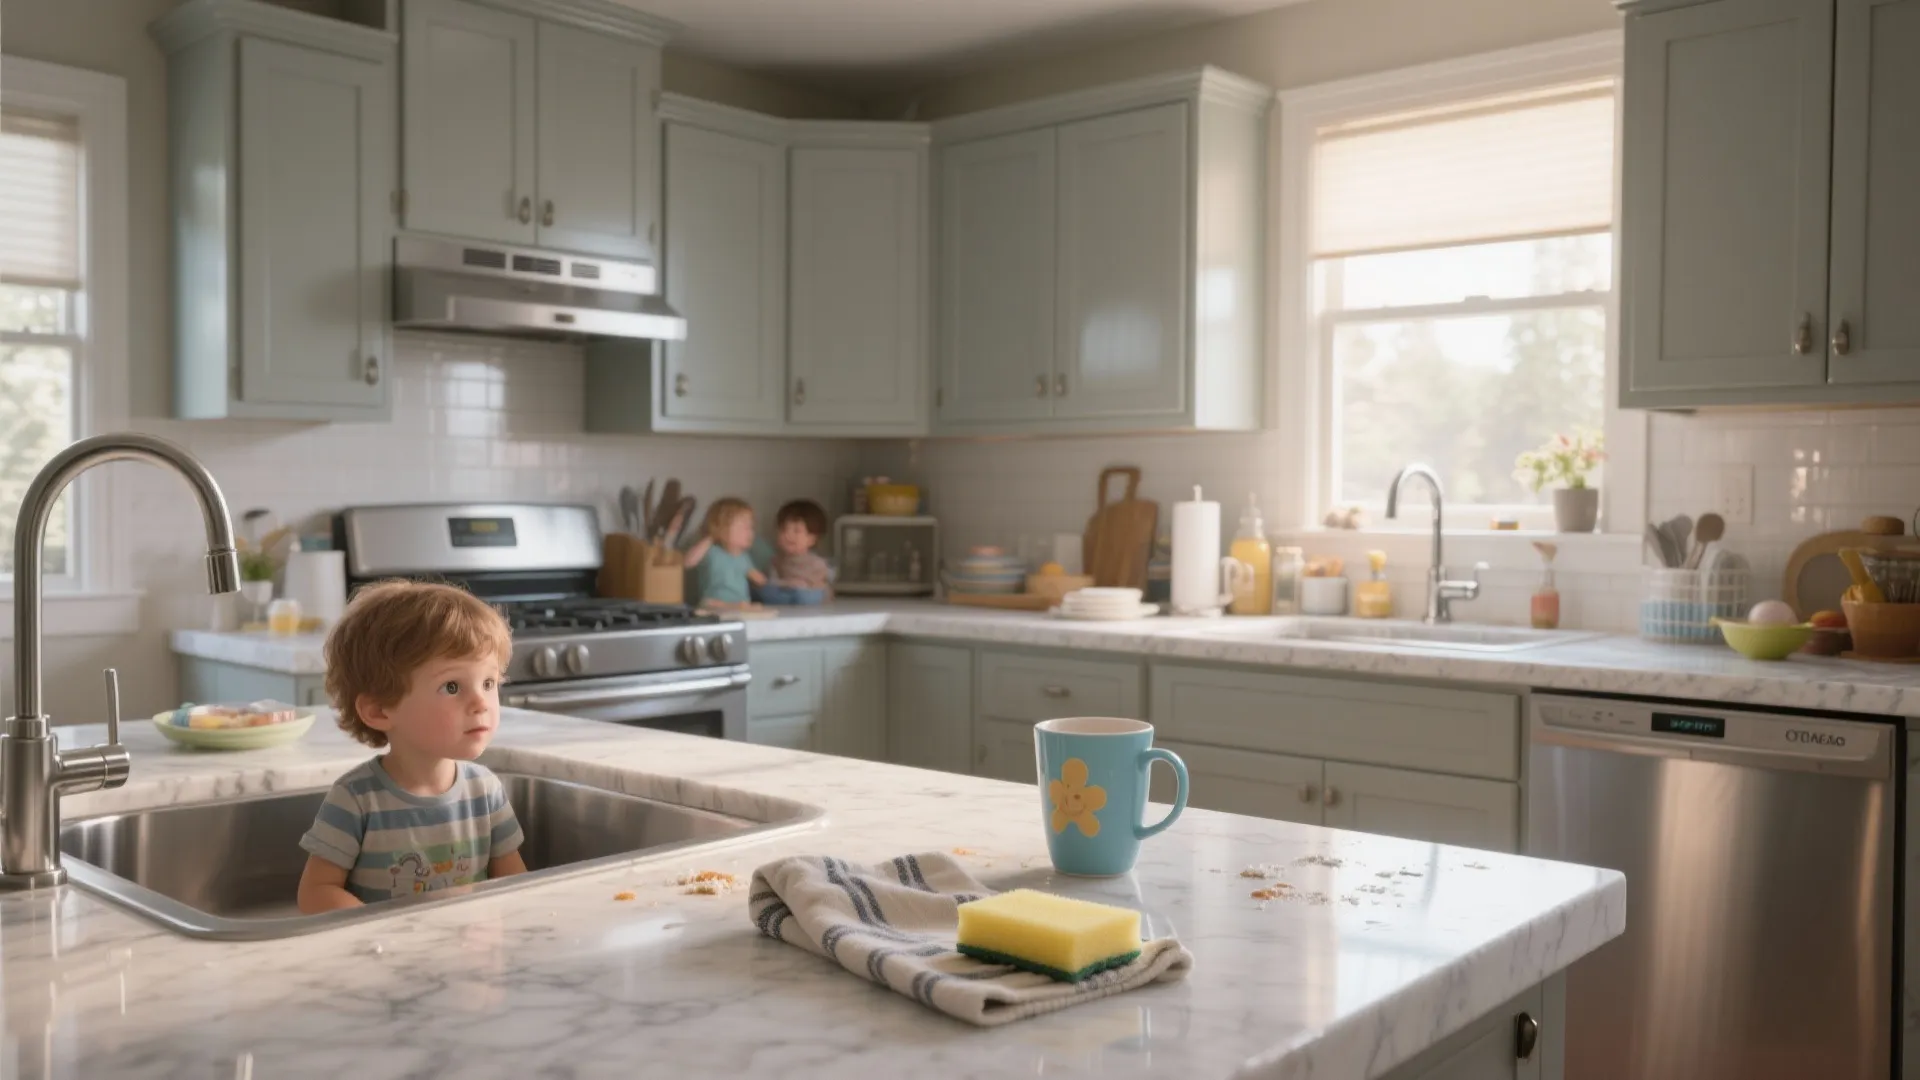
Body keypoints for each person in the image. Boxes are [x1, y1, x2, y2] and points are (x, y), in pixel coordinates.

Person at [296, 580, 527, 913]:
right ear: (379, 710)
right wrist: (388, 933)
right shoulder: (356, 799)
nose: (481, 703)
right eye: (452, 687)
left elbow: (514, 884)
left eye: (488, 683)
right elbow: (317, 891)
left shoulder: (486, 791)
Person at [684, 497, 764, 608]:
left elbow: (758, 578)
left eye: (751, 527)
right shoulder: (712, 551)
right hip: (714, 602)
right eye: (744, 527)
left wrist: (765, 582)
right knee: (709, 603)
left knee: (749, 606)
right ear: (722, 528)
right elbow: (688, 562)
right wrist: (710, 537)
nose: (750, 532)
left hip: (739, 603)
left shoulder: (744, 557)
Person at [765, 499, 831, 602]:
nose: (788, 535)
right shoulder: (775, 562)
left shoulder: (817, 564)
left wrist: (806, 586)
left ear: (812, 539)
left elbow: (823, 591)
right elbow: (771, 584)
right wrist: (787, 584)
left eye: (796, 530)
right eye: (783, 529)